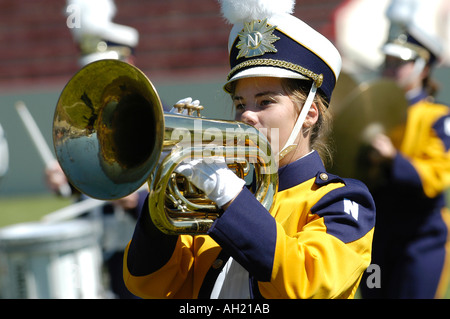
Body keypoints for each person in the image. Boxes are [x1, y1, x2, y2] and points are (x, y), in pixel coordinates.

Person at [123, 0, 375, 299]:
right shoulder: (206, 199)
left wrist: (229, 195)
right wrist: (161, 200)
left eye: (265, 102)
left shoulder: (341, 201)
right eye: (240, 103)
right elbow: (147, 284)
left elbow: (308, 284)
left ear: (309, 113)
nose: (246, 115)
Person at [45, 0, 145, 299]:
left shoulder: (162, 120)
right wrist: (66, 182)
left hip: (141, 255)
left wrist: (136, 200)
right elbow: (88, 189)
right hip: (94, 256)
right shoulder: (85, 123)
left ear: (129, 64)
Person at [360, 3, 450, 299]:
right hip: (376, 238)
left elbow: (436, 176)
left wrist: (392, 158)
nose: (390, 69)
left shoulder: (438, 117)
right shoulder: (370, 113)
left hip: (419, 240)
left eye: (399, 63)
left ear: (423, 68)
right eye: (387, 61)